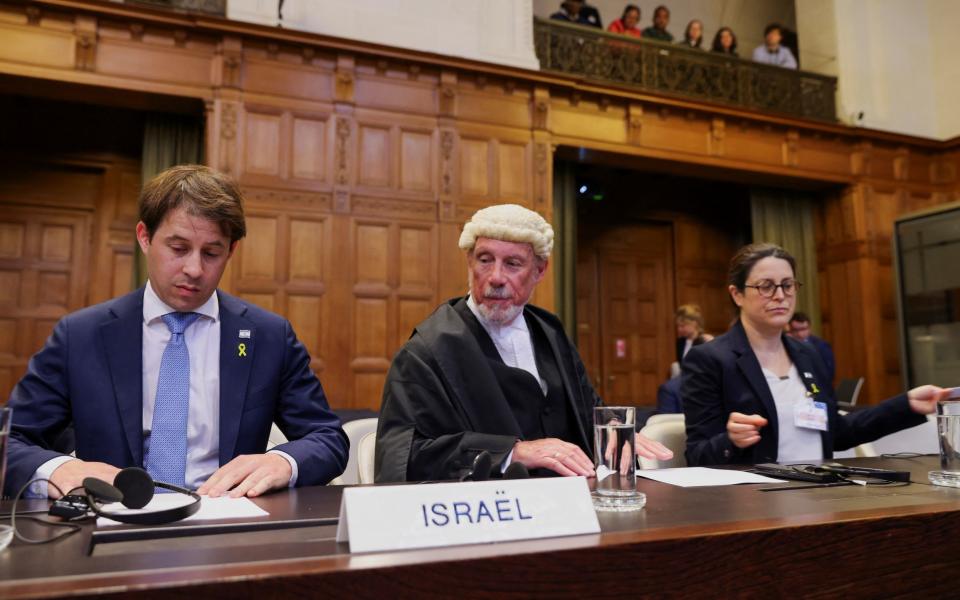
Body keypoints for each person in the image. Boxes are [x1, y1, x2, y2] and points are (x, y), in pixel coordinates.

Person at [4, 165, 349, 499]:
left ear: (231, 251)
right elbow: (11, 438)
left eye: (212, 253)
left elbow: (327, 438)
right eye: (178, 248)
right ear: (145, 237)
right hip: (111, 523)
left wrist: (282, 461)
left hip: (227, 524)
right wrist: (56, 469)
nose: (194, 269)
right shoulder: (81, 336)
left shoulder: (268, 336)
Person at [375, 204, 672, 482]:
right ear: (469, 262)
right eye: (484, 260)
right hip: (486, 515)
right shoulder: (428, 351)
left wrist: (611, 432)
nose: (495, 277)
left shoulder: (549, 332)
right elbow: (403, 455)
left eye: (513, 263)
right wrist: (511, 453)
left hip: (570, 503)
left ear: (539, 271)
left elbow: (585, 407)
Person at [682, 243, 949, 467]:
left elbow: (837, 433)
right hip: (753, 501)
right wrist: (731, 441)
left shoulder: (808, 354)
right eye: (766, 286)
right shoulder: (710, 359)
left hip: (819, 493)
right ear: (737, 294)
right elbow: (696, 456)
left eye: (787, 285)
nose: (780, 296)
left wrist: (907, 404)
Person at [787, 311, 836, 383]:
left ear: (809, 328)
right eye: (795, 330)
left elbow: (828, 373)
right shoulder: (787, 346)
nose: (800, 334)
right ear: (790, 330)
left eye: (803, 329)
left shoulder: (821, 346)